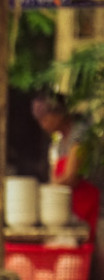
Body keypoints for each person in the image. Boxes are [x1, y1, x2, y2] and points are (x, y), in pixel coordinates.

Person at [32, 92, 100, 241]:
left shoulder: (80, 134)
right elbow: (55, 177)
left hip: (93, 209)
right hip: (71, 212)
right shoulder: (59, 143)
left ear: (58, 113)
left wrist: (42, 192)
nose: (42, 124)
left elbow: (71, 178)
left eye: (44, 118)